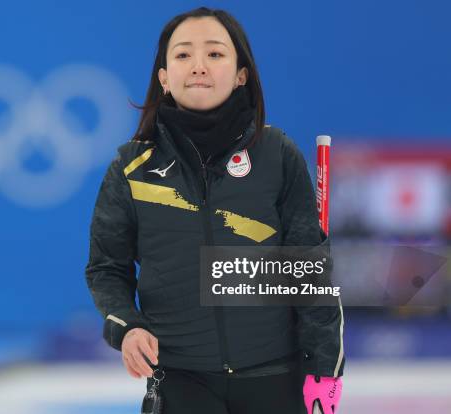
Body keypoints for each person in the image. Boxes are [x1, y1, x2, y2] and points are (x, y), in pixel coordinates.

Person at [86, 7, 344, 414]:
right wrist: (128, 326)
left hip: (275, 379)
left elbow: (308, 275)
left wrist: (326, 369)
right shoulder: (131, 168)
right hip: (180, 381)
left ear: (242, 73)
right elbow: (107, 268)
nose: (199, 66)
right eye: (183, 55)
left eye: (216, 54)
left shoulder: (278, 156)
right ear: (164, 78)